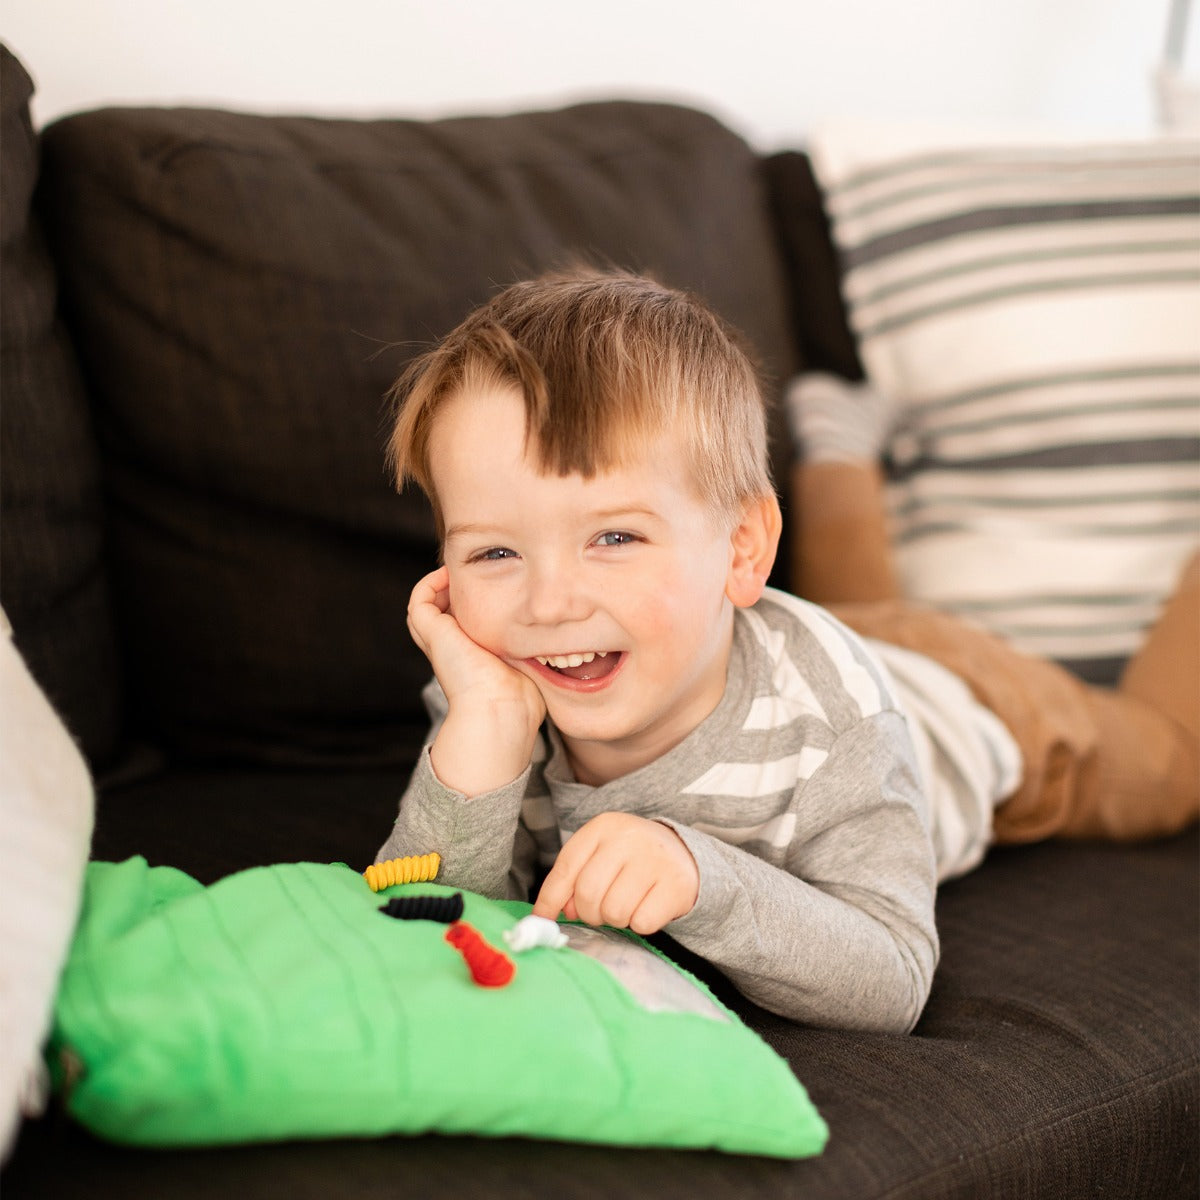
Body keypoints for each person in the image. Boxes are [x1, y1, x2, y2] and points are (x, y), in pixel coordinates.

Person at [375, 269, 1198, 1034]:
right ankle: (842, 444)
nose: (549, 604)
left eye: (614, 536)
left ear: (740, 551)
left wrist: (702, 876)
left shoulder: (838, 723)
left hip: (974, 705)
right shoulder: (489, 688)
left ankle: (844, 461)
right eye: (493, 554)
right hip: (803, 630)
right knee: (866, 609)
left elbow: (893, 979)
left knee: (1172, 759)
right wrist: (480, 742)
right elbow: (414, 922)